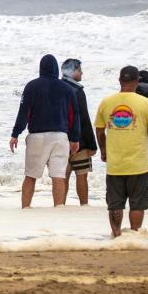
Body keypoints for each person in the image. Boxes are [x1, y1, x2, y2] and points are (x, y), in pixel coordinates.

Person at [94, 66, 148, 237]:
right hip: (139, 163)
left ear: (119, 81)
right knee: (137, 204)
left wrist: (103, 150)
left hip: (115, 163)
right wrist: (143, 132)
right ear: (137, 82)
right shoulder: (147, 103)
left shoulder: (106, 102)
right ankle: (134, 236)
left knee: (115, 204)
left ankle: (117, 235)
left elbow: (99, 130)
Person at [9, 54, 80, 207]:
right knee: (58, 176)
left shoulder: (31, 87)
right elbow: (74, 116)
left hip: (37, 136)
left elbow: (24, 112)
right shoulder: (67, 89)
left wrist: (15, 134)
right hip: (60, 137)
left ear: (41, 68)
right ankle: (59, 208)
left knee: (30, 175)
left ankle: (26, 207)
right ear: (56, 68)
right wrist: (75, 138)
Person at [60, 58, 98, 205]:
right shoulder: (77, 91)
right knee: (82, 175)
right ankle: (84, 205)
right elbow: (84, 119)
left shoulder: (57, 87)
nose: (82, 73)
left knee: (63, 176)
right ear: (72, 71)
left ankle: (60, 204)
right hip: (79, 140)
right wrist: (92, 145)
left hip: (60, 139)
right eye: (79, 70)